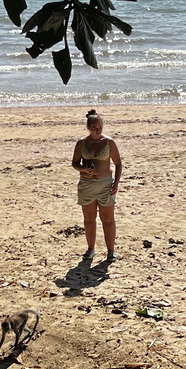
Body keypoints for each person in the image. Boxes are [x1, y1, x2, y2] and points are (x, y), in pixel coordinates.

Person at [71, 109, 123, 264]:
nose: (98, 131)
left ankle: (111, 251)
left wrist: (116, 184)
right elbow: (74, 163)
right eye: (94, 128)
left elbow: (118, 164)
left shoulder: (109, 142)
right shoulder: (82, 143)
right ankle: (91, 248)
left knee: (107, 219)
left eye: (100, 128)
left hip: (105, 184)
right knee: (89, 218)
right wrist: (83, 169)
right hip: (86, 185)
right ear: (88, 128)